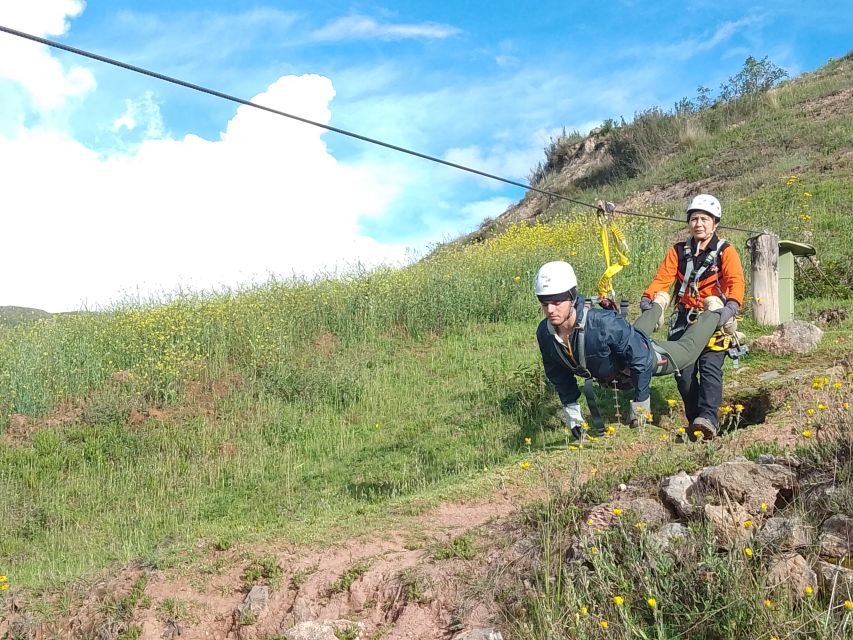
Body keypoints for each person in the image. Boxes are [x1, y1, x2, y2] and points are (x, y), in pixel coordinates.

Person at [535, 260, 723, 439]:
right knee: (632, 335)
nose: (550, 310)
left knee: (687, 352)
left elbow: (640, 358)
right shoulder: (545, 333)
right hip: (621, 351)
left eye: (557, 303)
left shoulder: (604, 324)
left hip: (642, 358)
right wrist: (572, 412)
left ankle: (713, 313)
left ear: (572, 299)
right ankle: (659, 303)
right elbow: (557, 373)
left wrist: (641, 404)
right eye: (545, 304)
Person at [640, 194, 745, 440]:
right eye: (694, 219)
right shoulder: (678, 251)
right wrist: (649, 297)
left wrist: (730, 308)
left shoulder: (726, 251)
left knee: (710, 368)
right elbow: (663, 278)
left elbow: (736, 281)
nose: (699, 223)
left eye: (704, 219)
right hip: (684, 318)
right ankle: (695, 420)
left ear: (715, 223)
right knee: (683, 372)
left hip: (714, 316)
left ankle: (707, 418)